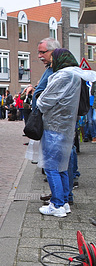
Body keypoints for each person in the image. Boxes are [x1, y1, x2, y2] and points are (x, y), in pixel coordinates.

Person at [36, 48, 96, 217]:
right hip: (67, 128)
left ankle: (56, 205)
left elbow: (43, 101)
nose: (52, 63)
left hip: (54, 126)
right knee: (62, 167)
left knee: (51, 167)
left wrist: (38, 97)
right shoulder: (76, 75)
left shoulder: (62, 76)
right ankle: (63, 202)